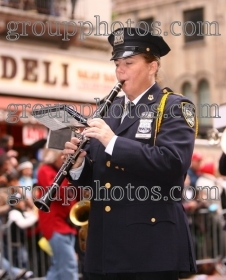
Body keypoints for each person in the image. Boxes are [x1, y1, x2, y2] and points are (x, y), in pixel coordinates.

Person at [62, 27, 198, 280]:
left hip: (149, 246)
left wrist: (112, 141)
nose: (120, 70)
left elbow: (173, 163)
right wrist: (79, 165)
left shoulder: (173, 106)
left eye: (129, 62)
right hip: (104, 245)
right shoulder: (108, 109)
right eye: (117, 63)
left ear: (152, 66)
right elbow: (101, 176)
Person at [37, 148, 79, 280]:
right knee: (69, 265)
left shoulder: (55, 170)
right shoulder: (45, 170)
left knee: (58, 269)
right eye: (63, 156)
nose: (64, 159)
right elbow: (58, 193)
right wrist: (68, 173)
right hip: (55, 225)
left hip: (66, 225)